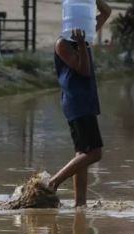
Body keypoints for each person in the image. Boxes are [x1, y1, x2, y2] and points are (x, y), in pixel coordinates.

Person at [49, 0, 111, 207]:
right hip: (77, 103)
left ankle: (80, 204)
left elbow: (107, 11)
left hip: (84, 100)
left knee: (81, 154)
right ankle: (53, 182)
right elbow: (83, 70)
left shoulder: (86, 35)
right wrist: (82, 44)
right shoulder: (63, 44)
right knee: (94, 153)